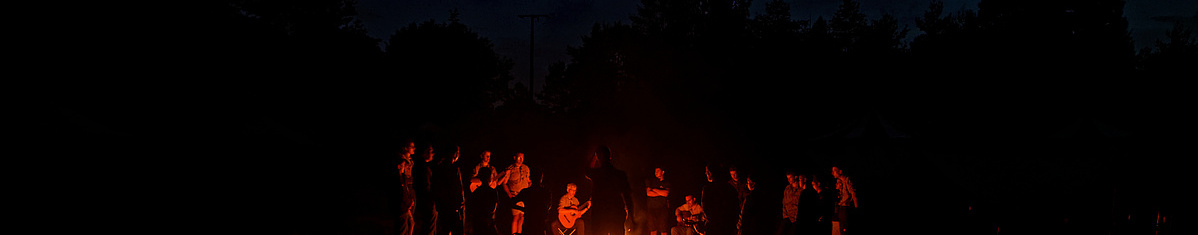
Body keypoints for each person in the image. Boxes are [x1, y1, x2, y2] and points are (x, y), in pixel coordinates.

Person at [585, 146, 634, 235]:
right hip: (616, 213)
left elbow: (587, 171)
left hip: (600, 214)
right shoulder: (620, 174)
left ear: (599, 158)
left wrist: (595, 157)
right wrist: (631, 216)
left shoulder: (597, 174)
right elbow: (627, 197)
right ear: (610, 157)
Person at [434, 146, 466, 235]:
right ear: (455, 154)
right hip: (453, 206)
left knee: (445, 229)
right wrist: (460, 202)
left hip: (442, 205)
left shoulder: (439, 168)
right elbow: (458, 188)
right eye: (458, 153)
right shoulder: (454, 169)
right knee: (457, 229)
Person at [702, 163, 739, 235]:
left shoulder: (708, 189)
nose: (706, 173)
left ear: (712, 173)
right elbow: (736, 208)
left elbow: (706, 208)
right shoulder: (730, 188)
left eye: (707, 171)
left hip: (716, 227)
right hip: (728, 226)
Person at [501, 153, 532, 235]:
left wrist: (531, 188)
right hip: (515, 195)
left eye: (522, 158)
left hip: (525, 197)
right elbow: (504, 183)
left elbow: (528, 181)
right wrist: (510, 195)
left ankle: (519, 233)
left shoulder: (526, 168)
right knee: (515, 217)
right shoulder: (510, 169)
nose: (521, 159)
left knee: (522, 217)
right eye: (519, 157)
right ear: (514, 158)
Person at [515, 168, 551, 235]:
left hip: (529, 222)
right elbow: (548, 206)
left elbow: (511, 203)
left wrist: (523, 209)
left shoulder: (525, 192)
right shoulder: (545, 192)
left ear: (530, 178)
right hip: (540, 223)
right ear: (541, 179)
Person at [394, 140, 417, 235]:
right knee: (406, 219)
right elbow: (401, 180)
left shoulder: (410, 160)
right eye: (412, 147)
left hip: (410, 188)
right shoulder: (401, 161)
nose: (414, 148)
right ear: (405, 148)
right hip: (405, 189)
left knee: (411, 221)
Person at [415, 144, 439, 235]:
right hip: (427, 200)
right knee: (429, 224)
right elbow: (425, 186)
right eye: (430, 151)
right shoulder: (423, 168)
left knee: (429, 224)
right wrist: (432, 198)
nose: (433, 153)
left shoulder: (424, 166)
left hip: (427, 199)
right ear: (424, 153)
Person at [468, 167, 500, 235]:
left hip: (477, 223)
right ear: (489, 177)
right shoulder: (492, 192)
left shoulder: (476, 192)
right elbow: (493, 208)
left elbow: (471, 208)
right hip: (488, 222)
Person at [831, 166, 857, 235]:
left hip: (845, 208)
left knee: (845, 229)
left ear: (840, 171)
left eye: (834, 171)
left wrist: (856, 207)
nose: (832, 173)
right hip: (841, 207)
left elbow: (854, 194)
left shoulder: (847, 180)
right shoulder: (840, 182)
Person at [646, 167, 671, 235]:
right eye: (655, 171)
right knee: (653, 228)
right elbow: (648, 193)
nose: (656, 172)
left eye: (658, 171)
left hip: (662, 208)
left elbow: (666, 193)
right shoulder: (651, 181)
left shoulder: (666, 182)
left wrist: (654, 189)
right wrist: (660, 192)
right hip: (651, 209)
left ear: (663, 172)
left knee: (663, 229)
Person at [780, 171, 801, 235]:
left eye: (790, 177)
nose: (788, 180)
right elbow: (784, 203)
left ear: (795, 177)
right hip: (787, 217)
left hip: (796, 218)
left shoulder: (801, 189)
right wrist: (785, 216)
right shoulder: (787, 188)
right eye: (787, 178)